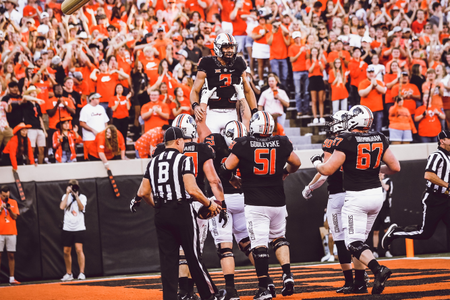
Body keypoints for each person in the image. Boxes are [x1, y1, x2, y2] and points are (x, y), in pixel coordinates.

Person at [312, 105, 401, 295]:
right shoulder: (379, 137)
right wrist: (374, 169)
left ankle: (378, 270)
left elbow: (327, 170)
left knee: (352, 243)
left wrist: (316, 162)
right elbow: (395, 167)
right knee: (361, 242)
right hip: (377, 196)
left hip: (357, 197)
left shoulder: (346, 139)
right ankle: (360, 284)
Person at [132, 126, 222, 300]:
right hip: (181, 210)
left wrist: (157, 207)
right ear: (179, 141)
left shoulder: (153, 162)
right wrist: (209, 203)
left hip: (161, 214)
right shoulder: (183, 159)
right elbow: (192, 189)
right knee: (193, 256)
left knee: (168, 261)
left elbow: (143, 192)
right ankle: (209, 296)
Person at [222, 111, 301, 299]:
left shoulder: (243, 144)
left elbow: (225, 168)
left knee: (259, 245)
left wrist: (232, 179)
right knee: (279, 238)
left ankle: (264, 288)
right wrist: (285, 171)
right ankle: (287, 274)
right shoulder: (281, 142)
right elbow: (296, 163)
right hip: (278, 201)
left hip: (255, 202)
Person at [205, 120, 278, 299]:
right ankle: (266, 282)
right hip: (244, 198)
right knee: (247, 243)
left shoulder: (215, 141)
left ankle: (231, 290)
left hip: (222, 199)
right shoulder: (249, 144)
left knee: (225, 248)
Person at [302, 110, 356, 293]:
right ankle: (363, 276)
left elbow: (324, 173)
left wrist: (309, 187)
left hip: (338, 196)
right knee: (356, 239)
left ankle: (350, 281)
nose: (331, 124)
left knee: (340, 239)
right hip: (357, 194)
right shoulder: (357, 139)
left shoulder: (332, 143)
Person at [382, 130, 450, 253]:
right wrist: (447, 186)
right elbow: (428, 175)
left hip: (446, 199)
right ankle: (395, 232)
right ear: (442, 141)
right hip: (434, 199)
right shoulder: (437, 155)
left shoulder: (448, 157)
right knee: (424, 233)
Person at [190, 33, 256, 142]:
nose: (230, 50)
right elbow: (195, 90)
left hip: (232, 112)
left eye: (231, 47)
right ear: (218, 48)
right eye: (226, 47)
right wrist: (195, 106)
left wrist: (255, 111)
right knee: (209, 146)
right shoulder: (206, 63)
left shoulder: (239, 62)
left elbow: (248, 90)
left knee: (234, 147)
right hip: (211, 112)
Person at [60, 179, 88, 281]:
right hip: (67, 227)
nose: (73, 188)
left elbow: (81, 208)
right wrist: (67, 194)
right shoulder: (65, 196)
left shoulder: (82, 197)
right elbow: (62, 207)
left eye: (74, 186)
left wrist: (76, 196)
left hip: (79, 227)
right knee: (66, 251)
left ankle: (81, 273)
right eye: (71, 186)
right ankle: (69, 273)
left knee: (79, 249)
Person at [0, 185, 21, 285]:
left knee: (11, 255)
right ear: (0, 194)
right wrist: (1, 209)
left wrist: (9, 209)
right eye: (3, 196)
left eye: (7, 196)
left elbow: (15, 216)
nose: (5, 198)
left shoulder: (13, 202)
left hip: (11, 232)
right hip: (0, 232)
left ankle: (12, 278)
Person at [79, 93, 109, 160]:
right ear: (91, 99)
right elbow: (82, 123)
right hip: (90, 138)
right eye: (97, 98)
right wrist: (93, 130)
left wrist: (106, 132)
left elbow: (105, 122)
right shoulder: (85, 109)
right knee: (92, 157)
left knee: (101, 156)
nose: (99, 100)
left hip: (101, 137)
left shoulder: (101, 108)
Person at [358, 66, 387, 132]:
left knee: (378, 130)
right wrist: (371, 85)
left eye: (372, 72)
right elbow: (362, 94)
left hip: (378, 109)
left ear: (374, 73)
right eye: (369, 72)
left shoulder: (379, 82)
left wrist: (376, 85)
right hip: (366, 111)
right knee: (366, 130)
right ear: (366, 73)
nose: (371, 74)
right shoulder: (362, 83)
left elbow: (383, 91)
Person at [372, 173, 393, 258]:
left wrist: (380, 180)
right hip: (376, 208)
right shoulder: (373, 182)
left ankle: (387, 250)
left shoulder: (388, 181)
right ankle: (375, 250)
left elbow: (387, 188)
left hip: (385, 208)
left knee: (386, 230)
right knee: (375, 231)